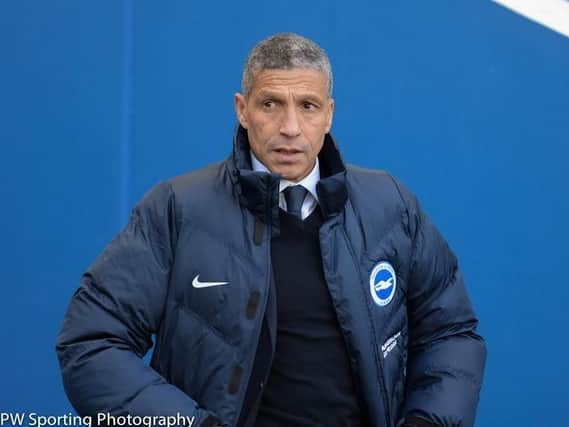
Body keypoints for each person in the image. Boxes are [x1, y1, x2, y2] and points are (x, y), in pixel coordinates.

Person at [57, 33, 486, 427]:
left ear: (329, 115)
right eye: (270, 104)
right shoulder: (176, 208)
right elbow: (91, 343)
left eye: (308, 106)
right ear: (242, 110)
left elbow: (450, 333)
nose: (290, 128)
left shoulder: (390, 205)